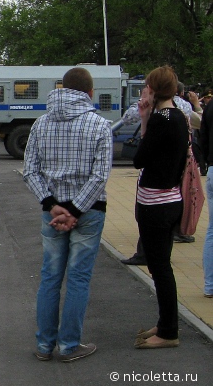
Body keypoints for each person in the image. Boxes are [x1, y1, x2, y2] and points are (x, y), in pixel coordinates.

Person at [23, 67, 112, 363]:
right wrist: (74, 210)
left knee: (50, 277)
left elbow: (31, 171)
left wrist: (52, 205)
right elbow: (100, 176)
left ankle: (45, 345)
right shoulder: (100, 126)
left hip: (52, 212)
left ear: (62, 89)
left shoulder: (40, 124)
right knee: (78, 279)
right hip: (88, 212)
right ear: (90, 93)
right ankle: (70, 345)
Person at [131, 66, 188, 349]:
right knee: (162, 265)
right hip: (172, 198)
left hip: (155, 202)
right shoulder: (178, 116)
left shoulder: (161, 119)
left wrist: (144, 122)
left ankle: (168, 332)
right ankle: (166, 322)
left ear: (153, 90)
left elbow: (139, 158)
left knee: (159, 268)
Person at [199, 95, 213, 299]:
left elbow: (202, 138)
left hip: (212, 170)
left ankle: (210, 285)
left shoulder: (210, 107)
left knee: (212, 230)